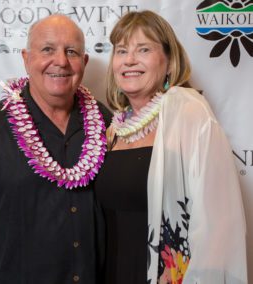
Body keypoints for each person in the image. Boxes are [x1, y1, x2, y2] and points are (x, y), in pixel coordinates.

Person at [0, 14, 111, 283]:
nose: (60, 61)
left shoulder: (106, 124)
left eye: (71, 51)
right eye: (47, 49)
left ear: (84, 63)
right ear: (26, 59)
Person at [94, 10, 247, 284]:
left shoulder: (187, 111)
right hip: (113, 273)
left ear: (168, 61)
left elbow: (219, 222)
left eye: (143, 49)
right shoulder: (113, 130)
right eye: (121, 51)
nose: (129, 60)